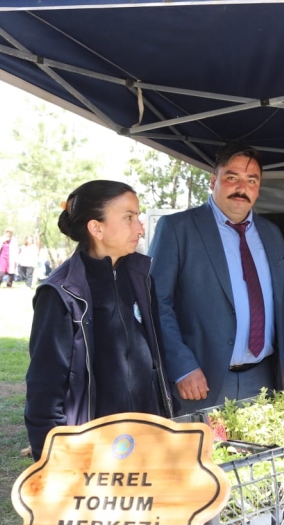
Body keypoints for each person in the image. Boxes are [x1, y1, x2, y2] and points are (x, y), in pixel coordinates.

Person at [149, 143, 284, 413]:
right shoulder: (177, 229)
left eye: (251, 180)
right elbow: (156, 303)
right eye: (232, 177)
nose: (242, 188)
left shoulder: (271, 233)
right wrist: (181, 365)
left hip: (264, 378)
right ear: (213, 181)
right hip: (200, 382)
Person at [24, 180, 173, 460]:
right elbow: (45, 389)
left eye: (138, 217)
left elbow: (156, 361)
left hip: (146, 436)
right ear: (96, 228)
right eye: (128, 217)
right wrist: (52, 460)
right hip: (92, 447)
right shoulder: (61, 293)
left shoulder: (142, 278)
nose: (140, 228)